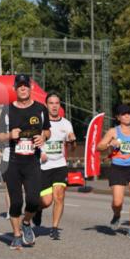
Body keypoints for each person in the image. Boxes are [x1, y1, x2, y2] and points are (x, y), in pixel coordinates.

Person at [0, 74, 50, 250]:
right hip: (12, 161)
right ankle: (17, 236)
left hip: (32, 160)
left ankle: (26, 223)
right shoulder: (7, 110)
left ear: (31, 87)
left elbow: (47, 131)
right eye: (19, 86)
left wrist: (43, 137)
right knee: (16, 201)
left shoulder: (40, 109)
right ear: (15, 89)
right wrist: (9, 135)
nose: (23, 88)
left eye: (25, 85)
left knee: (34, 200)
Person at [97, 103, 130, 239]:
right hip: (118, 168)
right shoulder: (113, 132)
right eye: (124, 114)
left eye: (129, 113)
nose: (127, 116)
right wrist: (109, 144)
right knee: (117, 202)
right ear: (118, 117)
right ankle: (117, 214)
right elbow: (99, 147)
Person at [38, 92, 76, 241]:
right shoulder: (40, 122)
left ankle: (54, 228)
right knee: (46, 201)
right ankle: (37, 210)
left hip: (60, 165)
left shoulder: (66, 123)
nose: (54, 106)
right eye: (51, 103)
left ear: (60, 105)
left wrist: (72, 140)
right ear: (46, 105)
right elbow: (32, 141)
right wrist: (40, 153)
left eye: (57, 103)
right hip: (44, 166)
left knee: (59, 196)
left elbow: (72, 147)